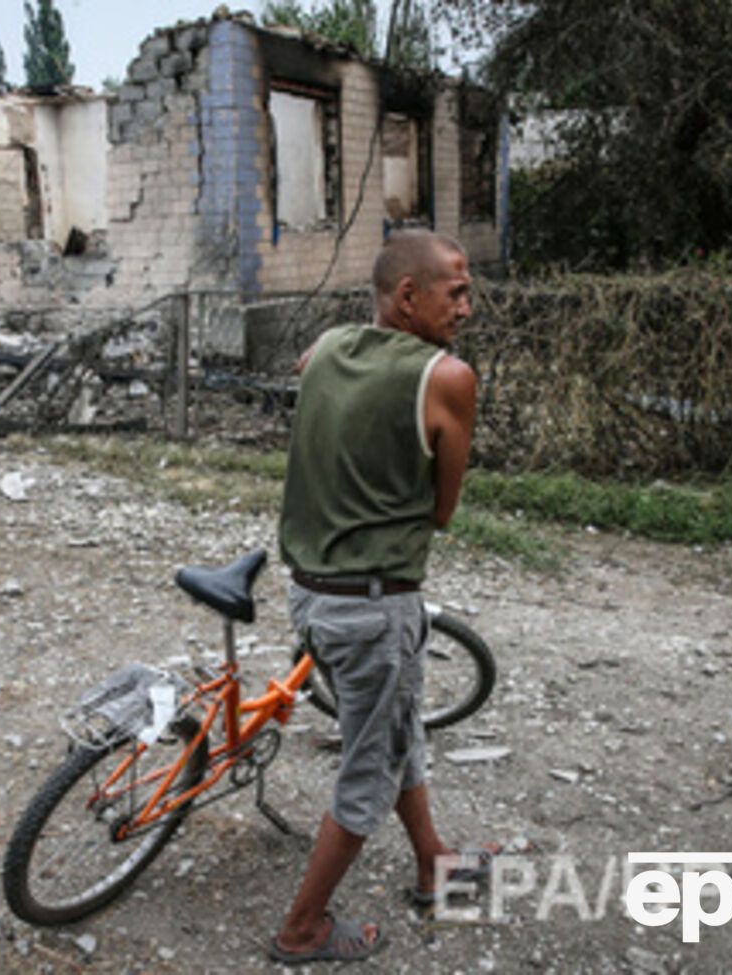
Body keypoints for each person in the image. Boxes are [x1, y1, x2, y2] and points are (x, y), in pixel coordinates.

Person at [270, 229, 489, 964]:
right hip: (373, 605)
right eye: (455, 292)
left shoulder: (329, 346)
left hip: (310, 594)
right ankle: (302, 927)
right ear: (408, 297)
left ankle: (434, 863)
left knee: (399, 732)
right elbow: (443, 511)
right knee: (368, 767)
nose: (467, 306)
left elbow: (309, 366)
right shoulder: (447, 377)